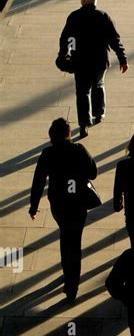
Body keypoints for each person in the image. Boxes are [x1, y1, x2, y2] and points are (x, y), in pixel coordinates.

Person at [29, 117, 97, 302]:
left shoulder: (47, 153)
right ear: (69, 133)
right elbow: (94, 173)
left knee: (65, 235)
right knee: (75, 241)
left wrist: (33, 206)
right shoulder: (79, 150)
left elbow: (38, 181)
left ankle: (67, 273)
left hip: (59, 204)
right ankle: (72, 284)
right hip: (78, 203)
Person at [58, 0, 128, 138]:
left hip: (80, 62)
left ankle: (84, 124)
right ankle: (99, 113)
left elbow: (66, 39)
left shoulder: (74, 17)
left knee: (82, 92)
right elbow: (114, 40)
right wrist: (122, 59)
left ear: (83, 0)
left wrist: (63, 55)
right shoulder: (103, 16)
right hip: (99, 61)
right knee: (99, 85)